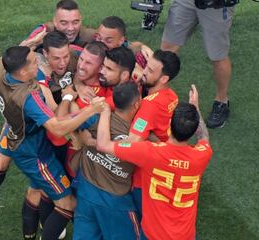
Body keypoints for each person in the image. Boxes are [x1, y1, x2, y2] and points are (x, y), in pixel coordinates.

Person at [0, 46, 105, 239]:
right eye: (34, 62)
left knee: (16, 175)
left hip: (13, 129)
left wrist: (34, 39)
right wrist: (90, 111)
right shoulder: (29, 97)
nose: (39, 63)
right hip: (33, 152)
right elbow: (57, 128)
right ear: (22, 72)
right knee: (68, 204)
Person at [97, 84, 213, 240]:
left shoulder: (149, 152)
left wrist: (105, 112)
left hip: (153, 235)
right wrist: (196, 110)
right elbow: (203, 137)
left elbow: (103, 145)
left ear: (170, 127)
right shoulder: (202, 156)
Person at [72, 82, 141, 240]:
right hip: (115, 202)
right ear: (137, 104)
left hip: (86, 191)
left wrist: (83, 139)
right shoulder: (139, 138)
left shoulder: (94, 119)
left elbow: (66, 121)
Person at [161, 0, 235, 128]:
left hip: (216, 6)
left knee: (217, 55)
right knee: (167, 50)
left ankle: (221, 102)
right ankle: (159, 97)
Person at [128, 49, 180, 221]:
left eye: (150, 71)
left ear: (163, 79)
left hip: (146, 179)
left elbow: (133, 141)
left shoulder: (149, 105)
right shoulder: (171, 95)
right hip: (168, 170)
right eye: (146, 67)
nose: (144, 72)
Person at [27, 0, 96, 50]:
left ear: (81, 20)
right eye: (64, 23)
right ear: (55, 22)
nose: (70, 28)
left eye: (75, 22)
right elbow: (19, 55)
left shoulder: (92, 36)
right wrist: (34, 43)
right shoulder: (42, 32)